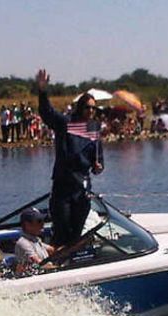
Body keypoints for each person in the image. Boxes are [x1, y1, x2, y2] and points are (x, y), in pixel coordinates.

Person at [36, 68, 104, 248]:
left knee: (76, 234)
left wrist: (98, 167)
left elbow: (99, 163)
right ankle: (57, 260)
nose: (91, 111)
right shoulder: (67, 123)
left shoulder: (93, 130)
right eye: (87, 107)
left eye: (93, 108)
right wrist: (42, 91)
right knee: (62, 231)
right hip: (63, 187)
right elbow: (47, 112)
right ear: (80, 107)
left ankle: (73, 259)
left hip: (82, 190)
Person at [14, 207, 57, 275]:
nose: (43, 223)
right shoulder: (23, 243)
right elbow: (39, 264)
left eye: (43, 220)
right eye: (39, 221)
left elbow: (53, 250)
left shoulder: (36, 241)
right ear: (27, 224)